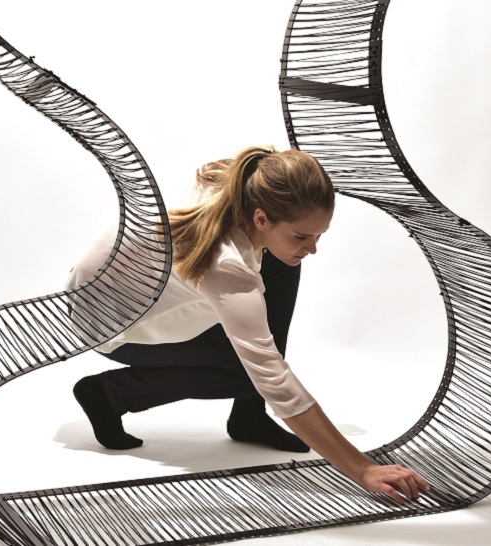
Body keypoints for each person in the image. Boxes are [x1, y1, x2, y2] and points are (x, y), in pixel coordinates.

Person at [66, 145, 429, 504]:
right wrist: (363, 469)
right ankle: (108, 394)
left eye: (319, 235)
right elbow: (273, 378)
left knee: (285, 261)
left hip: (131, 291)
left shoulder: (245, 184)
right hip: (110, 324)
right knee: (249, 374)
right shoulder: (225, 264)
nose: (313, 248)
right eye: (302, 235)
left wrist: (294, 242)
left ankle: (248, 417)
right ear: (261, 219)